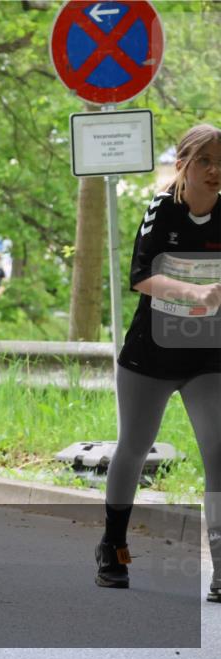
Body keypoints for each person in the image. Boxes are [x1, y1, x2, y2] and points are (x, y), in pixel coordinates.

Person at [96, 124, 221, 605]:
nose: (215, 170)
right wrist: (194, 292)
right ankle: (113, 546)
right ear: (185, 163)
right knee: (135, 447)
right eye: (206, 160)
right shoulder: (161, 208)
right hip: (150, 353)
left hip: (206, 356)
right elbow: (142, 276)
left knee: (218, 451)